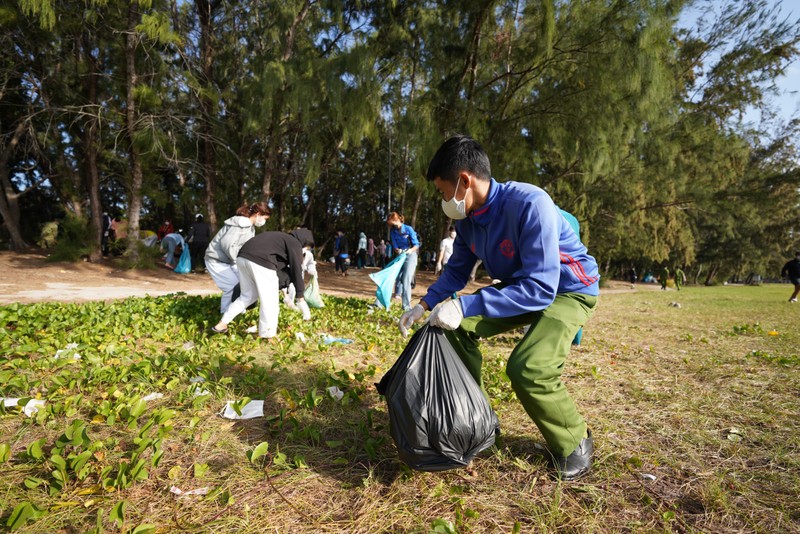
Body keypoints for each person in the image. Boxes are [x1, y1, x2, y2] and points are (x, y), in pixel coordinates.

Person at [399, 135, 599, 481]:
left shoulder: (529, 204)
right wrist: (425, 304)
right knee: (452, 328)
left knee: (528, 368)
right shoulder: (468, 220)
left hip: (567, 289)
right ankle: (472, 421)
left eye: (444, 191)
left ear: (465, 181)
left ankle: (574, 441)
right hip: (524, 285)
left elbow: (541, 288)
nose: (444, 200)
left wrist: (466, 304)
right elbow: (458, 270)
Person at [211, 228, 313, 339]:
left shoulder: (279, 237)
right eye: (306, 247)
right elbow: (297, 269)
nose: (304, 249)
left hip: (242, 258)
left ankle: (222, 324)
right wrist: (300, 296)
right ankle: (268, 336)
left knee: (247, 296)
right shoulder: (295, 243)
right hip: (262, 261)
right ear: (303, 240)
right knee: (270, 301)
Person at [204, 202, 271, 313]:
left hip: (229, 260)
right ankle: (225, 315)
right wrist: (238, 260)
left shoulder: (250, 227)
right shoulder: (241, 224)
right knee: (231, 287)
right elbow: (227, 244)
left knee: (244, 285)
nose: (264, 222)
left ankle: (237, 312)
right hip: (216, 260)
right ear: (258, 214)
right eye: (264, 218)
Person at [387, 212, 420, 311]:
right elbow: (395, 246)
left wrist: (410, 250)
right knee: (391, 276)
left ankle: (406, 307)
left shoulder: (408, 229)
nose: (391, 225)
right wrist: (398, 250)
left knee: (406, 280)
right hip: (400, 255)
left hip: (411, 255)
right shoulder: (393, 232)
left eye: (392, 222)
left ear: (396, 220)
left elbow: (416, 244)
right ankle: (380, 303)